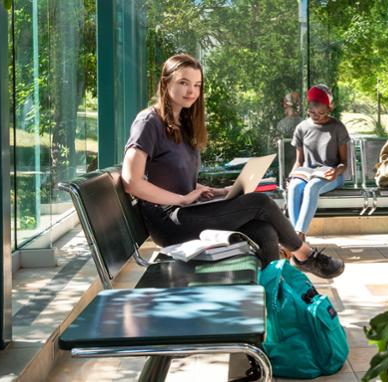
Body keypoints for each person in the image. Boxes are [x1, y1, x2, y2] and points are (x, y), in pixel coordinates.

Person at [121, 54, 344, 279]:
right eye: (183, 82)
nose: (191, 91)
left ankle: (270, 299)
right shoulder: (148, 122)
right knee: (260, 202)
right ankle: (304, 255)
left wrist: (214, 191)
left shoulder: (183, 123)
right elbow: (132, 182)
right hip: (169, 222)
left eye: (197, 85)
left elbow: (175, 177)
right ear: (165, 82)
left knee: (264, 231)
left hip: (186, 212)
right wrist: (182, 199)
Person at [287, 84, 349, 242]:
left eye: (321, 112)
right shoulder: (301, 128)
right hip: (307, 172)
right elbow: (299, 161)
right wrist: (291, 176)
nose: (316, 116)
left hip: (332, 174)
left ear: (329, 109)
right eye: (312, 112)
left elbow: (344, 163)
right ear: (308, 108)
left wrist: (337, 171)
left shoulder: (337, 127)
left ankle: (298, 238)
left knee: (311, 187)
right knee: (294, 187)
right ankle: (298, 241)